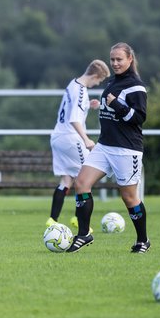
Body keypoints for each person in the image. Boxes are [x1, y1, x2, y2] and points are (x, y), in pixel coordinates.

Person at [67, 42, 150, 254]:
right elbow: (111, 111)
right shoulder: (112, 82)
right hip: (105, 146)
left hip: (126, 149)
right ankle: (84, 234)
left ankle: (143, 241)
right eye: (112, 59)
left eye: (119, 59)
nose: (115, 63)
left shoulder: (136, 87)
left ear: (130, 59)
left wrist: (116, 105)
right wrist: (101, 105)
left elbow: (139, 118)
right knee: (81, 183)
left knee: (129, 197)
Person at [45, 59, 110, 228]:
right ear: (95, 76)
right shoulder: (82, 91)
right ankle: (80, 220)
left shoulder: (73, 84)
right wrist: (86, 139)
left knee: (67, 180)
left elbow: (71, 109)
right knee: (86, 177)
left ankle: (52, 220)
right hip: (71, 138)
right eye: (99, 81)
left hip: (58, 137)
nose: (97, 84)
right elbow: (74, 119)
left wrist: (89, 105)